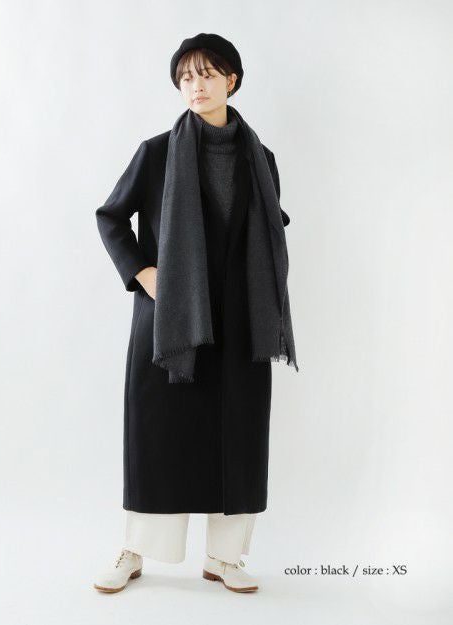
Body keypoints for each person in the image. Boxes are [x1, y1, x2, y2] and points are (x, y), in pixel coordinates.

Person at [92, 32, 298, 594]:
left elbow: (267, 229)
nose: (195, 86)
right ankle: (135, 551)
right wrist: (144, 272)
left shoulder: (262, 160)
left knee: (238, 434)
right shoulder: (157, 152)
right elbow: (111, 217)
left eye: (206, 74)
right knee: (158, 434)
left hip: (243, 320)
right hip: (172, 319)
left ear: (231, 79)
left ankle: (225, 558)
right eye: (186, 77)